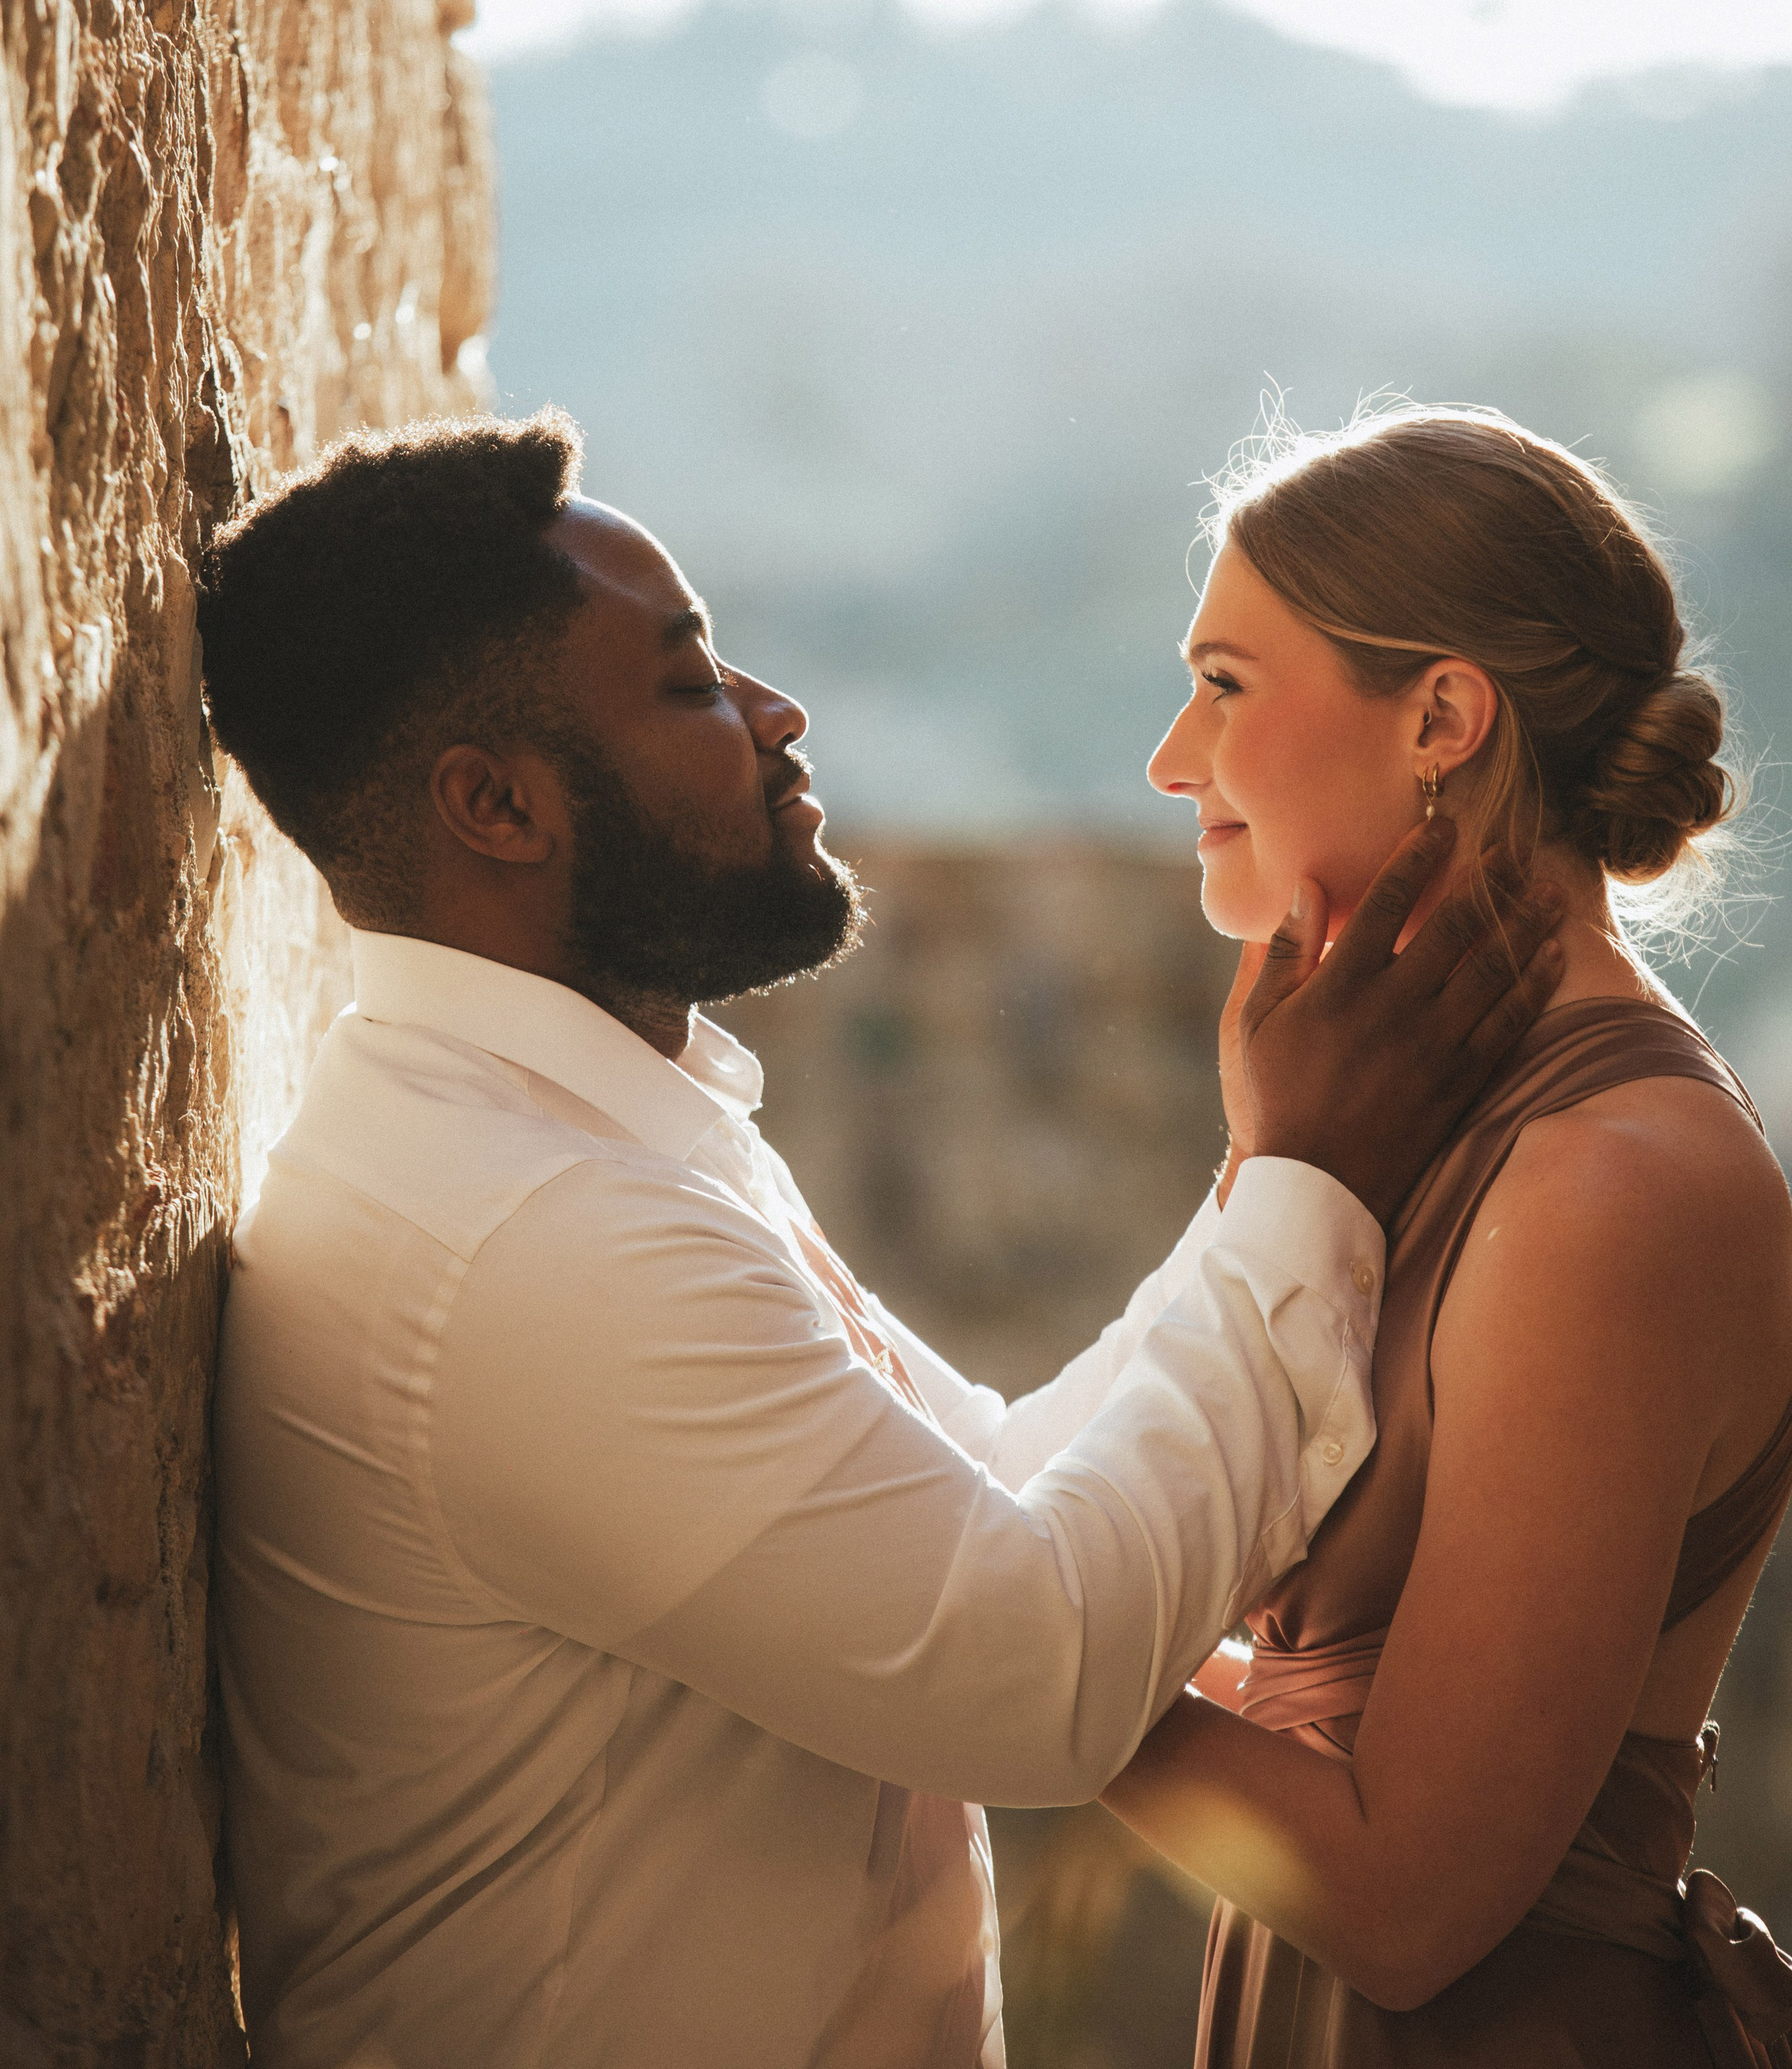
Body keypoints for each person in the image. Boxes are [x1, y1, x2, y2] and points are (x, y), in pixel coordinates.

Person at [197, 407, 1559, 2069]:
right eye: (691, 684)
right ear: (495, 805)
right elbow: (1024, 1672)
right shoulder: (526, 1232)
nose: (777, 717)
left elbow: (984, 1485)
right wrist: (1310, 1184)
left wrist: (1273, 1170)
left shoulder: (580, 1142)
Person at [1103, 402, 1792, 2067]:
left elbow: (1405, 1902)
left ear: (1438, 718)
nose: (1169, 758)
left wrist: (965, 1642)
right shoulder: (1357, 1123)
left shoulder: (1604, 1189)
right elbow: (1128, 1522)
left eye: (1223, 683)